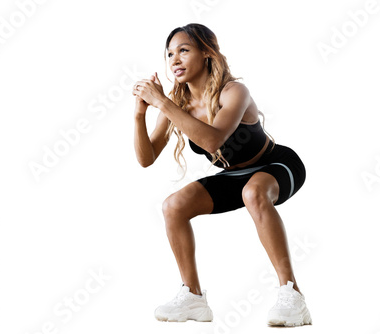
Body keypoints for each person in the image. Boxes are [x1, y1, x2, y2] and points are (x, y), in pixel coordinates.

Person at [132, 23, 311, 327]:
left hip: (276, 165)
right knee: (172, 206)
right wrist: (139, 114)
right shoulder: (179, 102)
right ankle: (193, 297)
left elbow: (214, 140)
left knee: (253, 193)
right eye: (170, 54)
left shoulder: (234, 91)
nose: (174, 59)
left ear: (206, 53)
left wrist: (162, 102)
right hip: (235, 177)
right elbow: (146, 158)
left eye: (184, 50)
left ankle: (292, 295)